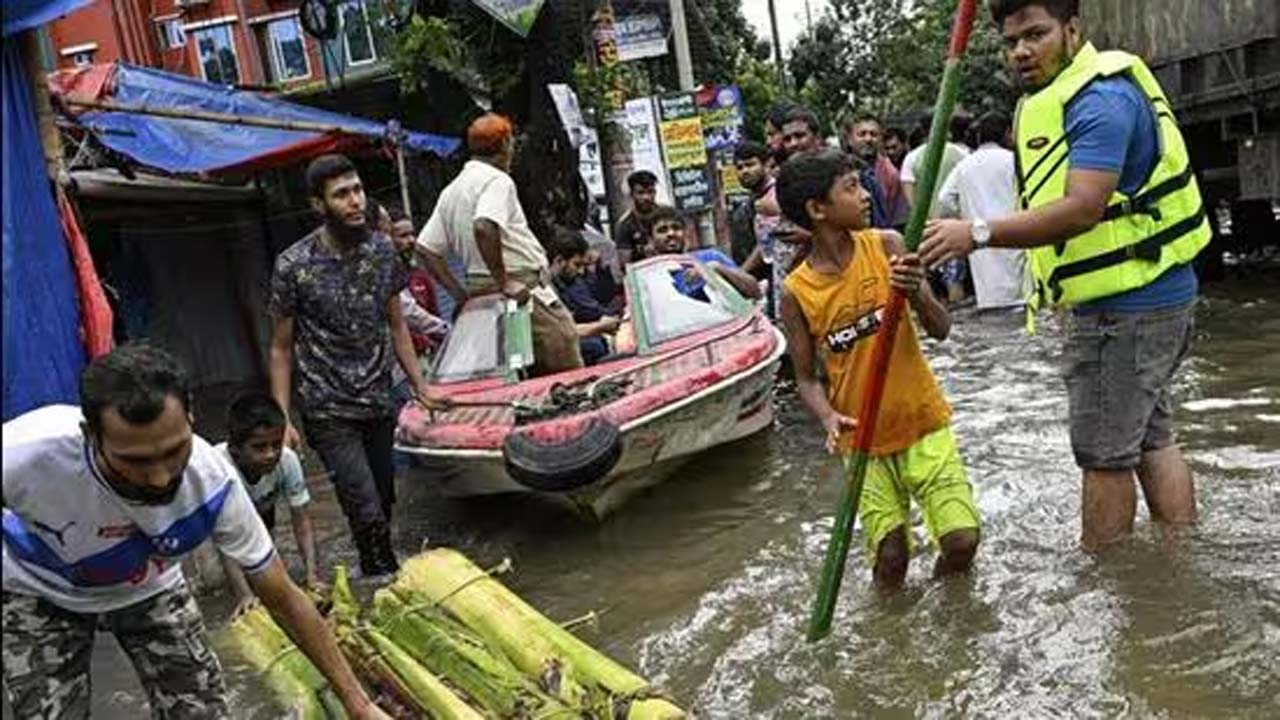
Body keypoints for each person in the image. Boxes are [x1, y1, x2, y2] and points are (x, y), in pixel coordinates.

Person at [920, 0, 1210, 550]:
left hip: (1127, 308)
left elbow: (1082, 208)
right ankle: (1178, 564)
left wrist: (975, 234)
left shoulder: (1098, 101)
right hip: (1150, 295)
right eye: (1010, 42)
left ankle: (1108, 585)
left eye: (1036, 34)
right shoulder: (1082, 91)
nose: (1022, 52)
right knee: (1150, 438)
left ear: (1072, 30)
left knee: (1104, 457)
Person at [2, 344, 390, 720]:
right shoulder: (25, 455)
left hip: (149, 586)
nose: (158, 478)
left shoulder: (213, 483)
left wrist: (360, 705)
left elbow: (284, 598)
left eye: (173, 451)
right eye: (134, 461)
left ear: (191, 416)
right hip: (39, 591)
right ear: (91, 435)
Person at [776, 149, 980, 588]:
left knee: (962, 541)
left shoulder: (887, 246)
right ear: (817, 210)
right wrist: (828, 417)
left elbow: (941, 328)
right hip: (862, 438)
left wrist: (917, 294)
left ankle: (947, 604)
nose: (865, 195)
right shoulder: (796, 292)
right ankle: (891, 629)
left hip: (921, 420)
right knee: (890, 559)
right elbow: (806, 380)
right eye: (850, 188)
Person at [270, 153, 440, 579]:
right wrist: (282, 418)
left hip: (379, 398)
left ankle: (376, 574)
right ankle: (388, 583)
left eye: (358, 190)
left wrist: (421, 387)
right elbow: (281, 348)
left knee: (383, 500)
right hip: (327, 407)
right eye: (341, 194)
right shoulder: (293, 266)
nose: (355, 201)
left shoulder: (382, 251)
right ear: (318, 204)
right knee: (363, 503)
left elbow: (397, 325)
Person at [416, 113, 583, 376]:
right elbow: (484, 226)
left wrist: (459, 294)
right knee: (563, 354)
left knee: (511, 371)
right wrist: (504, 281)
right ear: (506, 144)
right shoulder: (496, 181)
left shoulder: (453, 190)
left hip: (481, 295)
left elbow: (425, 249)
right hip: (518, 288)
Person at [216, 393, 321, 619]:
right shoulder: (219, 472)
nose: (270, 454)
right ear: (235, 449)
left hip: (260, 513)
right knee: (213, 583)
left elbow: (302, 522)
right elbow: (225, 542)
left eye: (276, 444)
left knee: (264, 574)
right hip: (210, 529)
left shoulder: (287, 461)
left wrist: (312, 576)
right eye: (259, 447)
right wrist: (243, 595)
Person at [935, 110, 1029, 311]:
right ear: (1006, 132)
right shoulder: (1014, 160)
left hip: (980, 240)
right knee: (1023, 300)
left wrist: (964, 220)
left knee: (993, 306)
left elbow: (944, 200)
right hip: (1017, 234)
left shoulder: (965, 165)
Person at [902, 113, 974, 303]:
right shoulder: (961, 154)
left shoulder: (912, 158)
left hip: (926, 232)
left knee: (927, 285)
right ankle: (959, 326)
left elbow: (911, 202)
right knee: (954, 282)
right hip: (954, 230)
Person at [649, 205, 762, 301]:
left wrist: (716, 269)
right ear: (651, 239)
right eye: (662, 230)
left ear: (685, 232)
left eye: (676, 228)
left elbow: (755, 292)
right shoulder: (649, 277)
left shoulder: (710, 257)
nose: (671, 233)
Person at [548, 230, 623, 365]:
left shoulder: (567, 282)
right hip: (554, 349)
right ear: (559, 260)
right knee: (594, 346)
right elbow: (563, 333)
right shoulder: (546, 290)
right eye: (576, 265)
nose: (581, 271)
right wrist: (599, 326)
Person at [844, 113, 910, 228]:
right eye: (862, 134)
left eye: (874, 134)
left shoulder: (891, 173)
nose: (868, 139)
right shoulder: (837, 169)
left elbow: (896, 219)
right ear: (850, 139)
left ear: (880, 139)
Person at [729, 141, 775, 275]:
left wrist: (741, 273)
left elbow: (767, 244)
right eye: (739, 167)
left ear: (766, 165)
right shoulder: (744, 208)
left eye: (750, 165)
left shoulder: (778, 196)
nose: (745, 171)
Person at [613, 170, 661, 266]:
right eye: (640, 193)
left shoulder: (667, 215)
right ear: (631, 194)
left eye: (650, 192)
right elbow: (624, 264)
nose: (646, 197)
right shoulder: (625, 224)